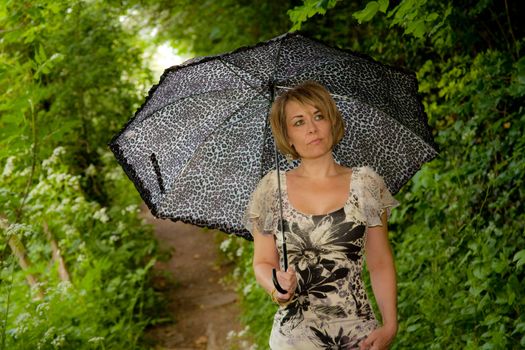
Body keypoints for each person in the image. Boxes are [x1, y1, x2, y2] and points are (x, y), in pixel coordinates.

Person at [243, 81, 399, 349]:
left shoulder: (366, 184)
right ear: (287, 135)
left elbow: (380, 262)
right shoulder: (270, 189)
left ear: (331, 122)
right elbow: (263, 262)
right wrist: (278, 288)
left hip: (358, 337)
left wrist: (390, 325)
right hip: (294, 339)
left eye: (318, 116)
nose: (312, 128)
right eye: (299, 122)